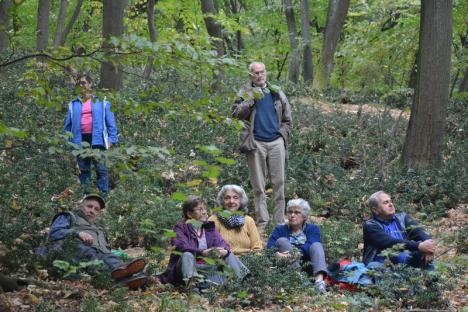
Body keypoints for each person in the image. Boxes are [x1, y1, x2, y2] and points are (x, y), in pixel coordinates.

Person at [232, 62, 292, 230]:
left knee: (279, 183)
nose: (259, 75)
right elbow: (235, 115)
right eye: (256, 73)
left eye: (262, 72)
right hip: (255, 142)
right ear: (250, 75)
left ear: (266, 73)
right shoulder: (244, 92)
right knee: (259, 186)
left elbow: (288, 119)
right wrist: (251, 100)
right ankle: (263, 223)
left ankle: (279, 223)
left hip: (275, 142)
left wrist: (281, 135)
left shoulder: (276, 92)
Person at [48, 194, 146, 289]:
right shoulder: (69, 216)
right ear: (81, 206)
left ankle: (126, 278)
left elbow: (107, 251)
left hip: (98, 257)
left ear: (98, 214)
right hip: (74, 252)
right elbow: (54, 232)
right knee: (90, 253)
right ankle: (120, 278)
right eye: (89, 206)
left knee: (112, 257)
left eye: (96, 209)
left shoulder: (99, 230)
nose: (92, 211)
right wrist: (78, 233)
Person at [159, 196, 249, 290]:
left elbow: (223, 243)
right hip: (186, 270)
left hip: (207, 269)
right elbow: (181, 246)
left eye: (205, 208)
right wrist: (202, 252)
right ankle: (193, 290)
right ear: (189, 214)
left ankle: (245, 282)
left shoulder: (209, 227)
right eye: (200, 209)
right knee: (187, 255)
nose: (205, 212)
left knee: (228, 254)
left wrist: (223, 251)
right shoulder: (180, 227)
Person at [64, 74, 118, 195]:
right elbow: (68, 125)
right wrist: (68, 141)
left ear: (90, 84)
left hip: (98, 139)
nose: (81, 85)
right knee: (84, 170)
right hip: (79, 140)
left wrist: (112, 139)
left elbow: (110, 121)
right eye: (79, 83)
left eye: (83, 83)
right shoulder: (73, 104)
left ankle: (103, 196)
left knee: (101, 169)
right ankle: (86, 197)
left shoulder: (102, 101)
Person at [267, 199, 328, 294]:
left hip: (309, 267)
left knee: (316, 245)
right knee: (282, 241)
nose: (292, 215)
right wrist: (276, 255)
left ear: (304, 216)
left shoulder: (313, 229)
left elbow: (312, 242)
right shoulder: (279, 229)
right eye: (290, 212)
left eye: (297, 212)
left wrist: (295, 253)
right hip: (289, 269)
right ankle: (300, 279)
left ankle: (319, 283)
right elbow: (269, 248)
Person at [363, 191, 436, 269]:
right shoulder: (370, 225)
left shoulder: (403, 217)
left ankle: (431, 280)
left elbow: (421, 232)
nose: (391, 204)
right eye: (385, 202)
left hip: (407, 263)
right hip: (384, 266)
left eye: (390, 201)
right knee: (374, 266)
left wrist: (429, 248)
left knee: (423, 253)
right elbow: (389, 242)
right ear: (375, 210)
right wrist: (419, 246)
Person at [208, 185, 262, 256]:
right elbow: (210, 247)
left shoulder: (248, 220)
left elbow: (257, 248)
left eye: (235, 197)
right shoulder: (213, 220)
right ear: (222, 201)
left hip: (247, 261)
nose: (231, 201)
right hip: (224, 260)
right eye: (227, 198)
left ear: (241, 201)